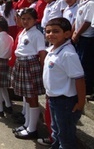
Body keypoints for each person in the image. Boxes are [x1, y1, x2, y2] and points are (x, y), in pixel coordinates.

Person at [43, 18, 85, 148]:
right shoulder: (52, 50)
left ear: (67, 34)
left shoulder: (68, 54)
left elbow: (79, 79)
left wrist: (81, 102)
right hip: (54, 99)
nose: (51, 34)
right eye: (48, 31)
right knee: (56, 131)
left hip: (65, 102)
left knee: (65, 135)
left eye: (56, 31)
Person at [12, 8, 47, 139]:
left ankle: (32, 129)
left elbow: (42, 53)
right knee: (26, 96)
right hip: (21, 63)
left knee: (32, 97)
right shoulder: (23, 32)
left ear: (35, 20)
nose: (25, 21)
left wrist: (43, 69)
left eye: (29, 19)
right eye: (23, 18)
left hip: (30, 64)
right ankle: (27, 124)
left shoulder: (36, 34)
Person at [72, 0, 94, 96]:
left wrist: (78, 33)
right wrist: (73, 32)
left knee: (86, 62)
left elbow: (87, 22)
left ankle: (87, 87)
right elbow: (76, 20)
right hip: (79, 37)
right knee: (79, 61)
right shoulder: (82, 3)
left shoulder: (91, 4)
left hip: (86, 37)